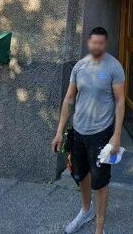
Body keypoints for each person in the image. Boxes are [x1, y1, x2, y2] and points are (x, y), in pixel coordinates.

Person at [52, 27, 125, 234]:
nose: (97, 46)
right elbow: (69, 99)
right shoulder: (79, 67)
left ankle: (99, 229)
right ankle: (86, 211)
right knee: (81, 174)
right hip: (78, 132)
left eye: (101, 43)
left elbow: (120, 102)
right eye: (94, 42)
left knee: (100, 182)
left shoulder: (114, 67)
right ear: (89, 43)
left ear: (105, 43)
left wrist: (117, 135)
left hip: (101, 134)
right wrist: (59, 132)